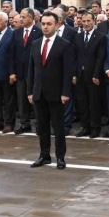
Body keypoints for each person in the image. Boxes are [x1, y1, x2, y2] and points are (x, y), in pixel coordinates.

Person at [28, 11, 74, 170]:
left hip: (57, 93)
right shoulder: (35, 43)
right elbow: (31, 70)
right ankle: (44, 155)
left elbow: (68, 72)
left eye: (49, 24)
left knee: (58, 127)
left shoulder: (64, 44)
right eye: (43, 24)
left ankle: (60, 157)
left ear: (57, 25)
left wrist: (65, 93)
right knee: (42, 126)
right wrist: (30, 91)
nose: (45, 27)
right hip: (39, 92)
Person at [74, 12, 106, 138]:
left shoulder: (100, 37)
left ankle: (95, 128)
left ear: (94, 21)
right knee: (82, 103)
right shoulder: (78, 36)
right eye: (84, 21)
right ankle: (85, 127)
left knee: (94, 103)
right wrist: (74, 74)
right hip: (80, 75)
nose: (86, 24)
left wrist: (96, 75)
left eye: (89, 21)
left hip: (93, 76)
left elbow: (100, 57)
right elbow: (75, 56)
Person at [9, 8, 41, 135]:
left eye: (23, 17)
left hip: (33, 72)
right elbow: (12, 54)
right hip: (20, 72)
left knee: (36, 100)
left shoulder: (38, 32)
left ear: (31, 18)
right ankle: (24, 123)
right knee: (21, 100)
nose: (21, 19)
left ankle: (40, 124)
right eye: (20, 16)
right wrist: (12, 72)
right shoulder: (16, 33)